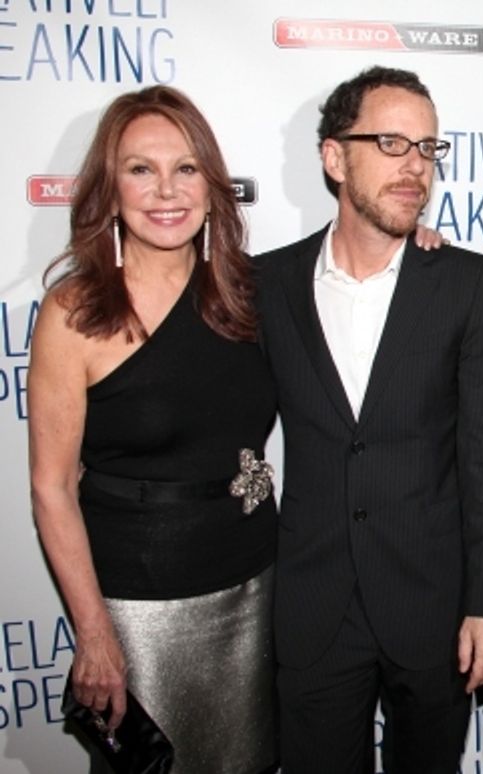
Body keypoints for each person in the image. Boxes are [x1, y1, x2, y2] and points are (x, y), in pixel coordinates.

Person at [254, 66, 483, 774]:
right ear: (335, 157)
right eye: (393, 143)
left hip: (435, 605)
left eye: (428, 148)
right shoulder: (266, 285)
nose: (416, 167)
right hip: (314, 606)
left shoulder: (468, 283)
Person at [28, 86, 278, 773]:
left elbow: (356, 261)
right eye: (141, 169)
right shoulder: (75, 310)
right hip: (137, 605)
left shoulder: (250, 293)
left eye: (186, 168)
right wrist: (94, 633)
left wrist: (420, 240)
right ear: (109, 189)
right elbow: (51, 488)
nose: (166, 190)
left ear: (212, 185)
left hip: (255, 585)